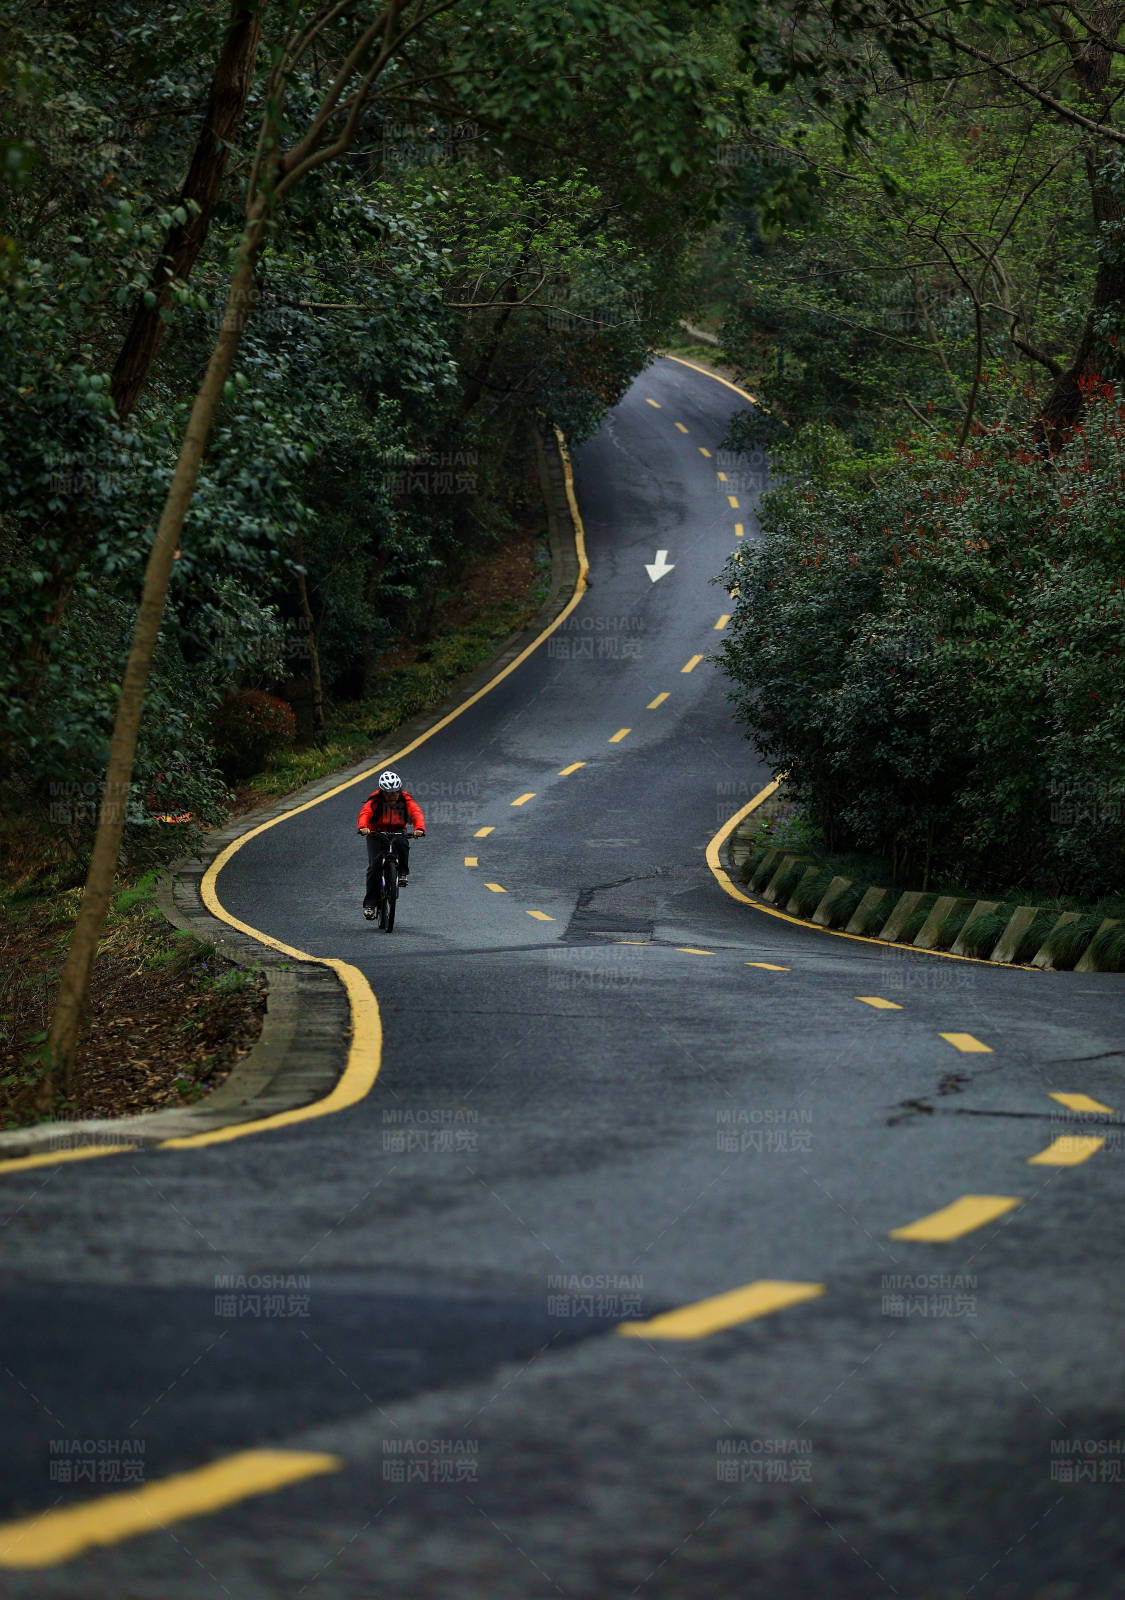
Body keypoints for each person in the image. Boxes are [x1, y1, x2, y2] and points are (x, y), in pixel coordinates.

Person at [358, 770, 425, 919]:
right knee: (374, 867)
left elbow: (416, 812)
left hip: (397, 830)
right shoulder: (375, 800)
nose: (392, 796)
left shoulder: (405, 799)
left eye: (395, 793)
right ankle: (370, 905)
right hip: (376, 832)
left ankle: (402, 873)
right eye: (388, 794)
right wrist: (363, 827)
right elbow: (365, 813)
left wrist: (419, 828)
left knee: (402, 844)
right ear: (382, 792)